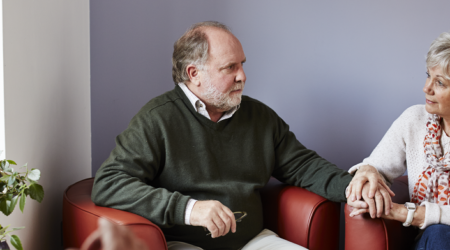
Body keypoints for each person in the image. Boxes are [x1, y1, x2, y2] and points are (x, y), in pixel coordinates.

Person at [91, 21, 387, 250]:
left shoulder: (259, 117)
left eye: (242, 64)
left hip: (253, 241)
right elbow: (109, 184)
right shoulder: (157, 118)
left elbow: (305, 167)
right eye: (230, 67)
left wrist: (356, 185)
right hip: (184, 244)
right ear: (194, 74)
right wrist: (189, 209)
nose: (242, 75)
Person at [347, 31, 450, 250]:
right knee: (439, 235)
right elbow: (376, 166)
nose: (426, 88)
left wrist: (408, 213)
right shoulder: (415, 119)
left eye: (440, 82)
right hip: (432, 242)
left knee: (441, 232)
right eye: (428, 76)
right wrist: (367, 175)